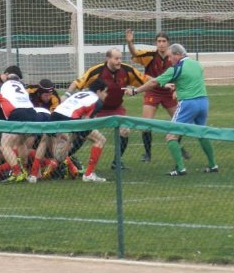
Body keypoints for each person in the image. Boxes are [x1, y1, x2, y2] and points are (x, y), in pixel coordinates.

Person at [128, 43, 218, 177]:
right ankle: (213, 165)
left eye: (170, 57)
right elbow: (190, 80)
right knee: (201, 133)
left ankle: (180, 169)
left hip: (188, 104)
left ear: (178, 55)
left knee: (171, 136)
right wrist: (178, 88)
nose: (169, 60)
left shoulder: (176, 68)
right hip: (203, 102)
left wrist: (135, 91)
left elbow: (153, 83)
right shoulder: (197, 64)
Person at [63, 47, 146, 170]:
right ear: (108, 59)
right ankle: (65, 158)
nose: (119, 61)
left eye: (120, 58)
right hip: (96, 109)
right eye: (116, 58)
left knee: (125, 130)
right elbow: (77, 82)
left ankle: (117, 162)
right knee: (84, 132)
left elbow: (145, 80)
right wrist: (66, 94)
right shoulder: (96, 71)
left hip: (116, 108)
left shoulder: (127, 70)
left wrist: (161, 84)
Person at [125, 29, 190, 163]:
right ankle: (147, 154)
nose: (161, 44)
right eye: (159, 41)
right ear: (156, 43)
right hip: (152, 90)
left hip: (169, 93)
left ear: (168, 43)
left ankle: (178, 147)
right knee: (146, 124)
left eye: (164, 41)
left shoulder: (174, 57)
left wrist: (177, 89)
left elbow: (182, 74)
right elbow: (134, 53)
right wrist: (130, 42)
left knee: (179, 122)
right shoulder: (149, 55)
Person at [46, 79, 109, 183]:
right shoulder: (97, 101)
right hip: (70, 118)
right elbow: (86, 122)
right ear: (98, 91)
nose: (106, 95)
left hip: (55, 115)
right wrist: (73, 139)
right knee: (100, 140)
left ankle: (38, 172)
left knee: (49, 145)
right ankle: (88, 174)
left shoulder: (81, 93)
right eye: (105, 92)